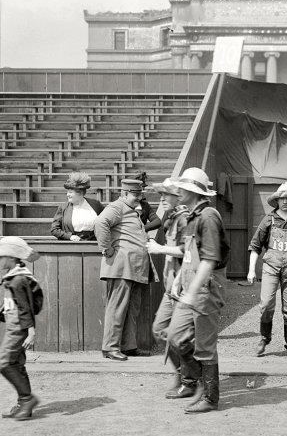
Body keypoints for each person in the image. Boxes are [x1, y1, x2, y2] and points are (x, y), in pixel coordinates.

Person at [165, 167, 230, 413]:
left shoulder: (209, 216)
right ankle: (194, 382)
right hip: (190, 285)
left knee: (204, 344)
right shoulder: (191, 217)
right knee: (175, 336)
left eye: (182, 188)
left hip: (206, 287)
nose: (178, 191)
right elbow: (190, 257)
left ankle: (211, 397)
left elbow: (209, 259)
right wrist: (180, 280)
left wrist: (192, 291)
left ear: (194, 191)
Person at [0, 237, 42, 421]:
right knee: (17, 364)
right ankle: (24, 405)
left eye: (1, 257)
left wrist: (31, 332)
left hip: (19, 329)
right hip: (15, 326)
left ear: (12, 258)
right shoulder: (13, 278)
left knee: (4, 363)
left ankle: (27, 399)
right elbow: (8, 305)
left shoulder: (19, 280)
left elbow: (25, 307)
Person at [95, 178, 156, 361]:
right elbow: (100, 222)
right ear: (124, 194)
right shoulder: (117, 207)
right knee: (117, 308)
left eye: (140, 194)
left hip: (134, 268)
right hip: (121, 267)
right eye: (135, 194)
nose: (138, 198)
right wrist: (107, 249)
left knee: (132, 309)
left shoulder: (130, 209)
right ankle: (110, 347)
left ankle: (128, 346)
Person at [247, 182, 287, 358]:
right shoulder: (268, 220)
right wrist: (251, 270)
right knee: (266, 304)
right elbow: (255, 246)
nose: (285, 201)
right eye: (282, 198)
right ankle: (264, 338)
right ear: (277, 200)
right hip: (271, 267)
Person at [146, 178, 192, 398]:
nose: (162, 199)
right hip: (170, 287)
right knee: (159, 330)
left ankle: (188, 377)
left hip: (183, 287)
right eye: (160, 195)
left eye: (166, 195)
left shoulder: (184, 219)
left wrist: (159, 248)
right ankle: (185, 371)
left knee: (178, 336)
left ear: (179, 196)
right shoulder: (171, 218)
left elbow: (188, 252)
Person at [50, 172, 104, 241]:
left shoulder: (96, 204)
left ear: (80, 193)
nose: (67, 195)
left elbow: (106, 222)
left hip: (95, 244)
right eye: (67, 192)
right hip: (72, 246)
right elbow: (54, 230)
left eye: (70, 192)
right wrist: (70, 237)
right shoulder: (63, 207)